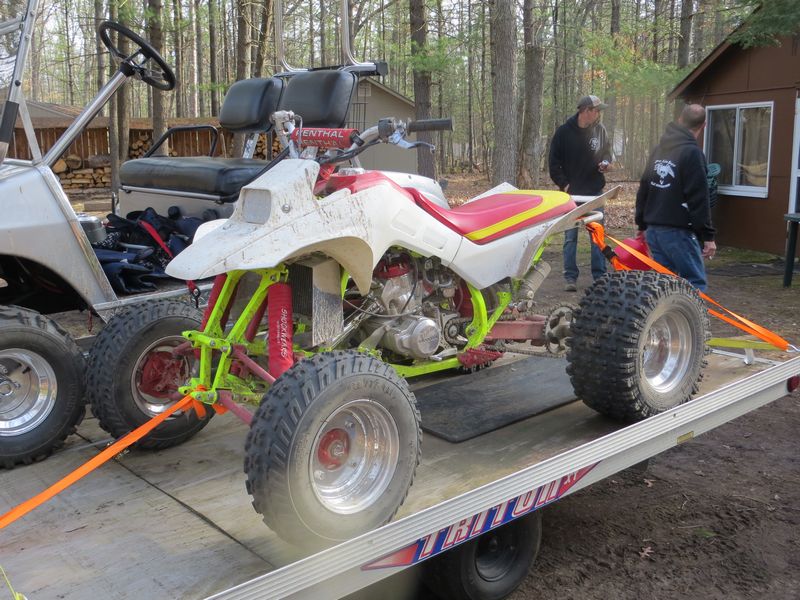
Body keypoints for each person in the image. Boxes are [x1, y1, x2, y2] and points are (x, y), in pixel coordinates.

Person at [635, 103, 716, 292]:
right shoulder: (693, 154)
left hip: (654, 230)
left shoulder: (658, 150)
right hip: (678, 233)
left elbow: (644, 189)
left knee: (663, 285)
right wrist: (708, 236)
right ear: (704, 125)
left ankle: (665, 313)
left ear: (680, 120)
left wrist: (642, 224)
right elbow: (699, 199)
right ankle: (690, 314)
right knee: (694, 283)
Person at [549, 95, 612, 292]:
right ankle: (570, 277)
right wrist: (564, 184)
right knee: (570, 237)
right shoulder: (563, 132)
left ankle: (599, 277)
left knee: (597, 236)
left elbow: (607, 153)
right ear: (585, 111)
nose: (599, 114)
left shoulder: (600, 130)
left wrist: (606, 163)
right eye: (596, 110)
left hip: (595, 194)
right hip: (572, 196)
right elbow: (553, 163)